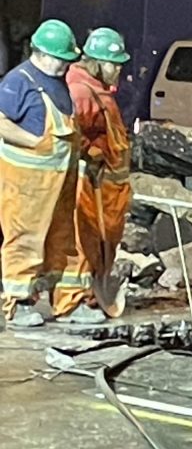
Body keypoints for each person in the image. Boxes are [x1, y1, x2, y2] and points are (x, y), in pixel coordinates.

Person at [0, 19, 81, 327]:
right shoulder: (18, 80)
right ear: (41, 53)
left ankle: (61, 301)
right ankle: (18, 303)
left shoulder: (56, 81)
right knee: (24, 239)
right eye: (60, 59)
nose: (65, 65)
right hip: (26, 183)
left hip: (58, 180)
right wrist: (34, 141)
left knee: (59, 239)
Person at [51, 27, 132, 324]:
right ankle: (71, 303)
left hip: (106, 188)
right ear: (97, 62)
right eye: (114, 63)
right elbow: (71, 136)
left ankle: (88, 295)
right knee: (81, 242)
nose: (119, 69)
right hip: (89, 184)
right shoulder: (81, 92)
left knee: (96, 243)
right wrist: (92, 154)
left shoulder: (96, 90)